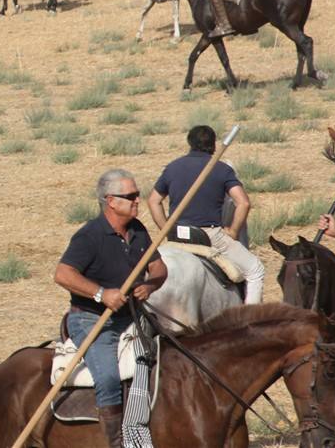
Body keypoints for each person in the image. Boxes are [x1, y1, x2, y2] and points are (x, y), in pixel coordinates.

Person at [55, 169, 167, 447]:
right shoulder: (89, 236)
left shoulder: (138, 230)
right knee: (107, 377)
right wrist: (101, 294)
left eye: (137, 195)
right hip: (92, 320)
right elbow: (63, 274)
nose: (137, 200)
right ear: (110, 201)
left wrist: (150, 286)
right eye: (130, 196)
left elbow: (159, 268)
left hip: (131, 315)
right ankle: (116, 441)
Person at [147, 125, 263, 303]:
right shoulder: (221, 169)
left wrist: (166, 229)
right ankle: (252, 320)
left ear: (189, 143)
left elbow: (153, 201)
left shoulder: (172, 167)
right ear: (213, 145)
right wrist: (232, 231)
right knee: (255, 270)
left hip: (177, 235)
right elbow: (243, 202)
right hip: (209, 236)